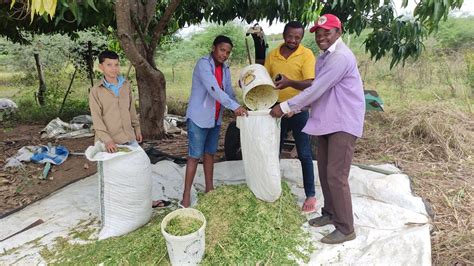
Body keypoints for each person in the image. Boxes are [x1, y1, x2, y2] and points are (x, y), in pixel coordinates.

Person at [270, 14, 365, 244]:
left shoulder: (340, 57)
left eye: (327, 32)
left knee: (336, 176)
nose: (322, 37)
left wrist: (284, 107)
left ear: (338, 33)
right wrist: (295, 109)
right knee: (324, 171)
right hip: (327, 120)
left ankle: (346, 228)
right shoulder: (324, 57)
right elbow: (320, 91)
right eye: (319, 33)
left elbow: (317, 88)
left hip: (343, 120)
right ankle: (330, 214)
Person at [89, 50, 170, 209]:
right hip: (110, 142)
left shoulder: (125, 85)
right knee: (115, 177)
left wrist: (137, 128)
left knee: (139, 172)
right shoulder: (96, 91)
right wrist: (107, 140)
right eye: (109, 65)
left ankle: (144, 203)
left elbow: (131, 109)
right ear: (101, 67)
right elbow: (97, 119)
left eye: (117, 65)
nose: (114, 69)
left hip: (128, 137)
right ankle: (120, 209)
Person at [181, 35, 248, 208]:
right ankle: (186, 196)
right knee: (194, 156)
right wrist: (233, 107)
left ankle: (209, 189)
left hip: (215, 118)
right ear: (213, 48)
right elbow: (213, 89)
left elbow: (228, 92)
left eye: (228, 52)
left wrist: (239, 107)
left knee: (210, 153)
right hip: (199, 117)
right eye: (222, 50)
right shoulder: (203, 64)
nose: (224, 54)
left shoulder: (225, 69)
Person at [264, 21, 317, 213]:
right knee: (273, 152)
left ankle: (310, 195)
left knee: (304, 153)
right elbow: (265, 77)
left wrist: (290, 83)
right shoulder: (273, 55)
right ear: (284, 34)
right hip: (277, 110)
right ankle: (273, 190)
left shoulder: (307, 54)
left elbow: (311, 83)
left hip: (299, 110)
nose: (293, 40)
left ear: (301, 38)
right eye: (290, 36)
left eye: (297, 37)